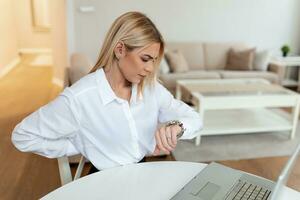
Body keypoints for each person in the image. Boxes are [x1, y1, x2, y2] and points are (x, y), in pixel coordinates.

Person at [11, 11, 202, 172]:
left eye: (154, 60)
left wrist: (178, 126)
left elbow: (195, 119)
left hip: (142, 173)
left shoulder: (151, 89)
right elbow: (22, 136)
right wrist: (78, 145)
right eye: (145, 59)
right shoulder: (79, 99)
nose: (151, 68)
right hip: (104, 180)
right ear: (120, 49)